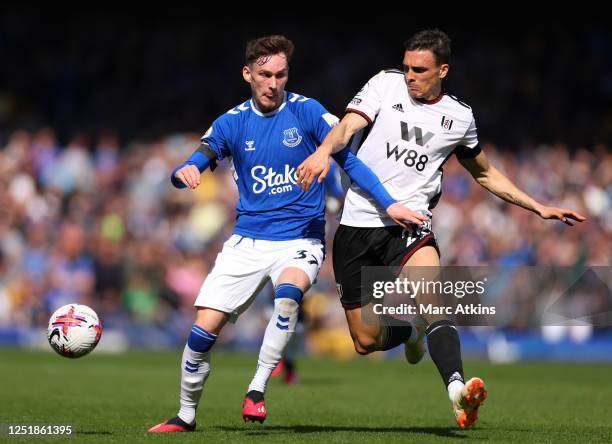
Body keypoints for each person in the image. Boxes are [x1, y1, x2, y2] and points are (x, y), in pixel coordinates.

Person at [296, 29, 586, 428]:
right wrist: (323, 152)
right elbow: (347, 126)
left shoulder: (459, 117)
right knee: (365, 341)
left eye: (420, 70)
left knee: (435, 301)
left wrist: (538, 206)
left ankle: (458, 390)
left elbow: (484, 173)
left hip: (411, 225)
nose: (410, 75)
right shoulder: (385, 84)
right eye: (407, 67)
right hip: (358, 226)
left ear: (443, 70)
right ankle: (411, 333)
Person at [148, 35, 425, 433]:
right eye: (264, 75)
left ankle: (257, 388)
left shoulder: (308, 113)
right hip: (247, 242)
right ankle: (186, 415)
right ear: (248, 74)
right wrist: (184, 172)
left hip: (301, 239)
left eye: (280, 74)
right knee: (201, 334)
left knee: (288, 296)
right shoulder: (232, 122)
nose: (273, 83)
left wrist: (388, 203)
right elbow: (198, 158)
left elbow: (352, 163)